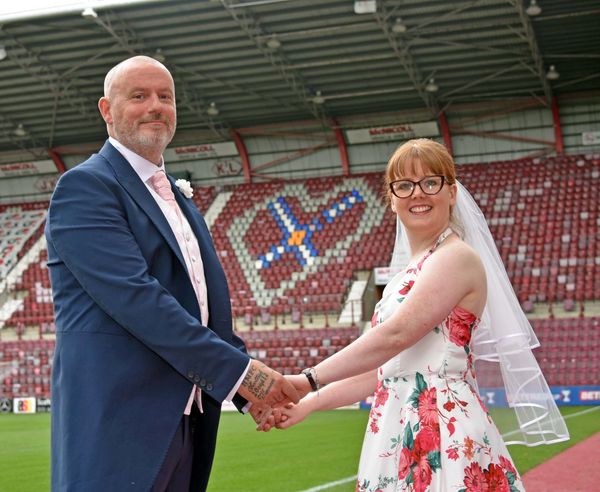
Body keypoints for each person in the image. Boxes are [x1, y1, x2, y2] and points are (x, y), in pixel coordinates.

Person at [45, 55, 298, 492]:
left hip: (186, 422)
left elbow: (204, 308)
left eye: (166, 97)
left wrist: (244, 394)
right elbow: (140, 303)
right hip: (119, 423)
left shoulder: (181, 200)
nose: (155, 106)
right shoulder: (85, 187)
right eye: (138, 96)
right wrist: (247, 378)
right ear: (106, 110)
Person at [272, 139, 569, 491]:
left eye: (431, 182)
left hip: (442, 429)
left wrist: (307, 379)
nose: (418, 194)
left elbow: (395, 335)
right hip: (396, 429)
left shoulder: (456, 257)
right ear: (392, 200)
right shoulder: (406, 274)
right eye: (405, 185)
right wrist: (306, 404)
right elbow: (380, 372)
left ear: (452, 192)